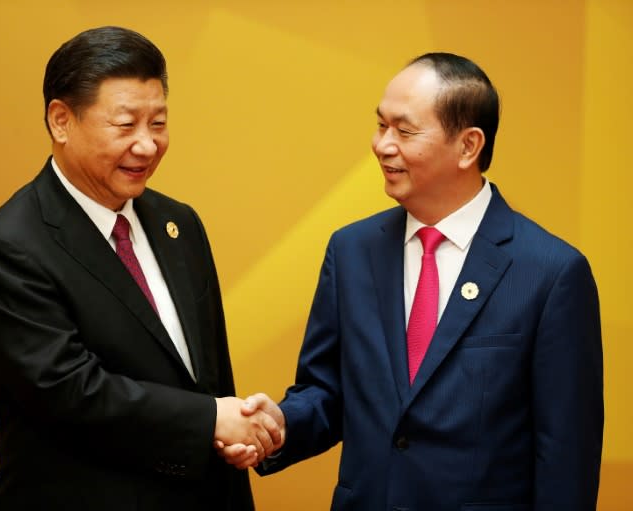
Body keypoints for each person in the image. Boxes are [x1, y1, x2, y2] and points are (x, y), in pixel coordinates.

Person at [225, 52, 604, 509]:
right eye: (381, 125)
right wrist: (279, 425)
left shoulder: (550, 272)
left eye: (404, 131)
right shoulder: (351, 251)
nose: (383, 145)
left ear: (468, 146)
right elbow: (327, 393)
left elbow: (565, 455)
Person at [0, 26, 281, 511]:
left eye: (158, 123)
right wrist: (208, 420)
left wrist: (229, 433)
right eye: (125, 124)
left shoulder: (179, 223)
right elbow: (69, 392)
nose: (147, 145)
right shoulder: (9, 246)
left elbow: (207, 378)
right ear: (61, 120)